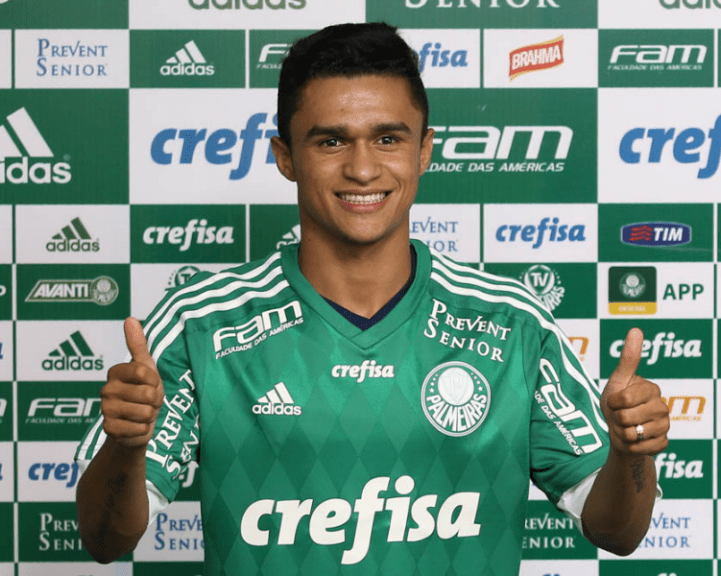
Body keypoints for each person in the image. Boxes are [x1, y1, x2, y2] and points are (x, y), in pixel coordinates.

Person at [75, 22, 670, 575]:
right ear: (285, 156)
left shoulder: (511, 321)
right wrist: (127, 450)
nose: (363, 168)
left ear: (424, 151)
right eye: (331, 141)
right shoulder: (201, 323)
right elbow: (106, 541)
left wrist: (629, 456)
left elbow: (618, 532)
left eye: (388, 137)